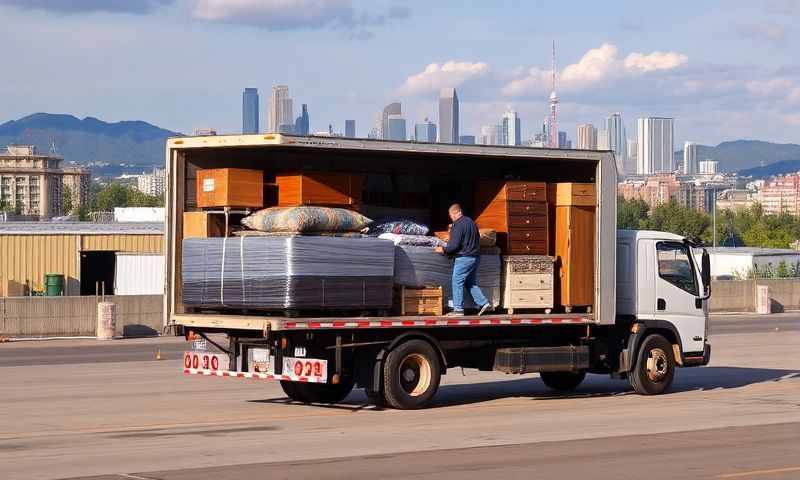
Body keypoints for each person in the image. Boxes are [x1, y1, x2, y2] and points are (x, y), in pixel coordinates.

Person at [434, 204, 493, 316]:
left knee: (457, 281)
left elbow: (454, 245)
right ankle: (484, 303)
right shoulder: (471, 222)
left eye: (451, 215)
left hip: (464, 258)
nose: (451, 218)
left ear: (456, 212)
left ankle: (458, 310)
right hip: (475, 257)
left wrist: (443, 249)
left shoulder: (458, 225)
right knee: (470, 282)